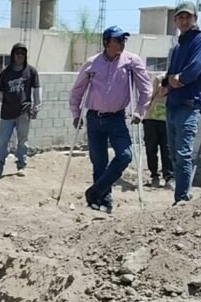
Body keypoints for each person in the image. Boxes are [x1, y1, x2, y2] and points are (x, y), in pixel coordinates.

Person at [69, 26, 151, 213]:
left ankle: (94, 192)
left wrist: (140, 111)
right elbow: (77, 90)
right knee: (99, 163)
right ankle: (103, 201)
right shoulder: (92, 63)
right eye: (118, 40)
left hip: (117, 118)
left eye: (123, 40)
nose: (122, 43)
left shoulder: (131, 62)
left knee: (125, 155)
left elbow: (146, 89)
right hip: (94, 118)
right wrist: (76, 113)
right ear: (106, 42)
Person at [163, 1, 201, 205]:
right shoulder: (177, 48)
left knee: (183, 155)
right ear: (176, 20)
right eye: (180, 17)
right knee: (174, 155)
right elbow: (169, 76)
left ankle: (182, 198)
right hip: (172, 106)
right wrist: (168, 81)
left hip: (188, 106)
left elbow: (195, 68)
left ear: (195, 18)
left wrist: (179, 80)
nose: (184, 21)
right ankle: (182, 195)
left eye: (187, 17)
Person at [0, 42, 41, 179]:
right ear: (13, 55)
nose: (20, 55)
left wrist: (37, 106)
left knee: (22, 141)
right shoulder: (5, 73)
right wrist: (8, 102)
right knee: (3, 141)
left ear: (26, 55)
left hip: (24, 112)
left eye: (22, 53)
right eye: (17, 53)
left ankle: (21, 166)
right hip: (7, 113)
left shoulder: (31, 71)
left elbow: (36, 89)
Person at [143, 74, 173, 188]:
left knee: (167, 150)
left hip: (168, 120)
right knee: (151, 149)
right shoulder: (160, 78)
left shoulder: (183, 79)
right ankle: (154, 176)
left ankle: (169, 177)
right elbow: (155, 94)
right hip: (151, 118)